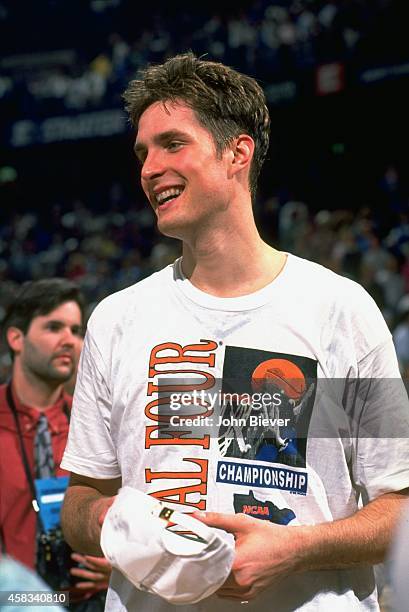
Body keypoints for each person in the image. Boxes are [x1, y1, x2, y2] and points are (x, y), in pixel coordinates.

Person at [60, 52, 409, 611]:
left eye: (173, 144)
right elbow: (81, 499)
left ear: (238, 152)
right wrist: (109, 518)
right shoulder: (116, 320)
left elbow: (400, 508)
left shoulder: (344, 310)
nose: (149, 168)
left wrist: (295, 549)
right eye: (143, 152)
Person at [0, 279, 110, 609]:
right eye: (54, 327)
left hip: (88, 600)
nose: (70, 341)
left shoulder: (96, 421)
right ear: (16, 339)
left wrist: (119, 566)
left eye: (76, 331)